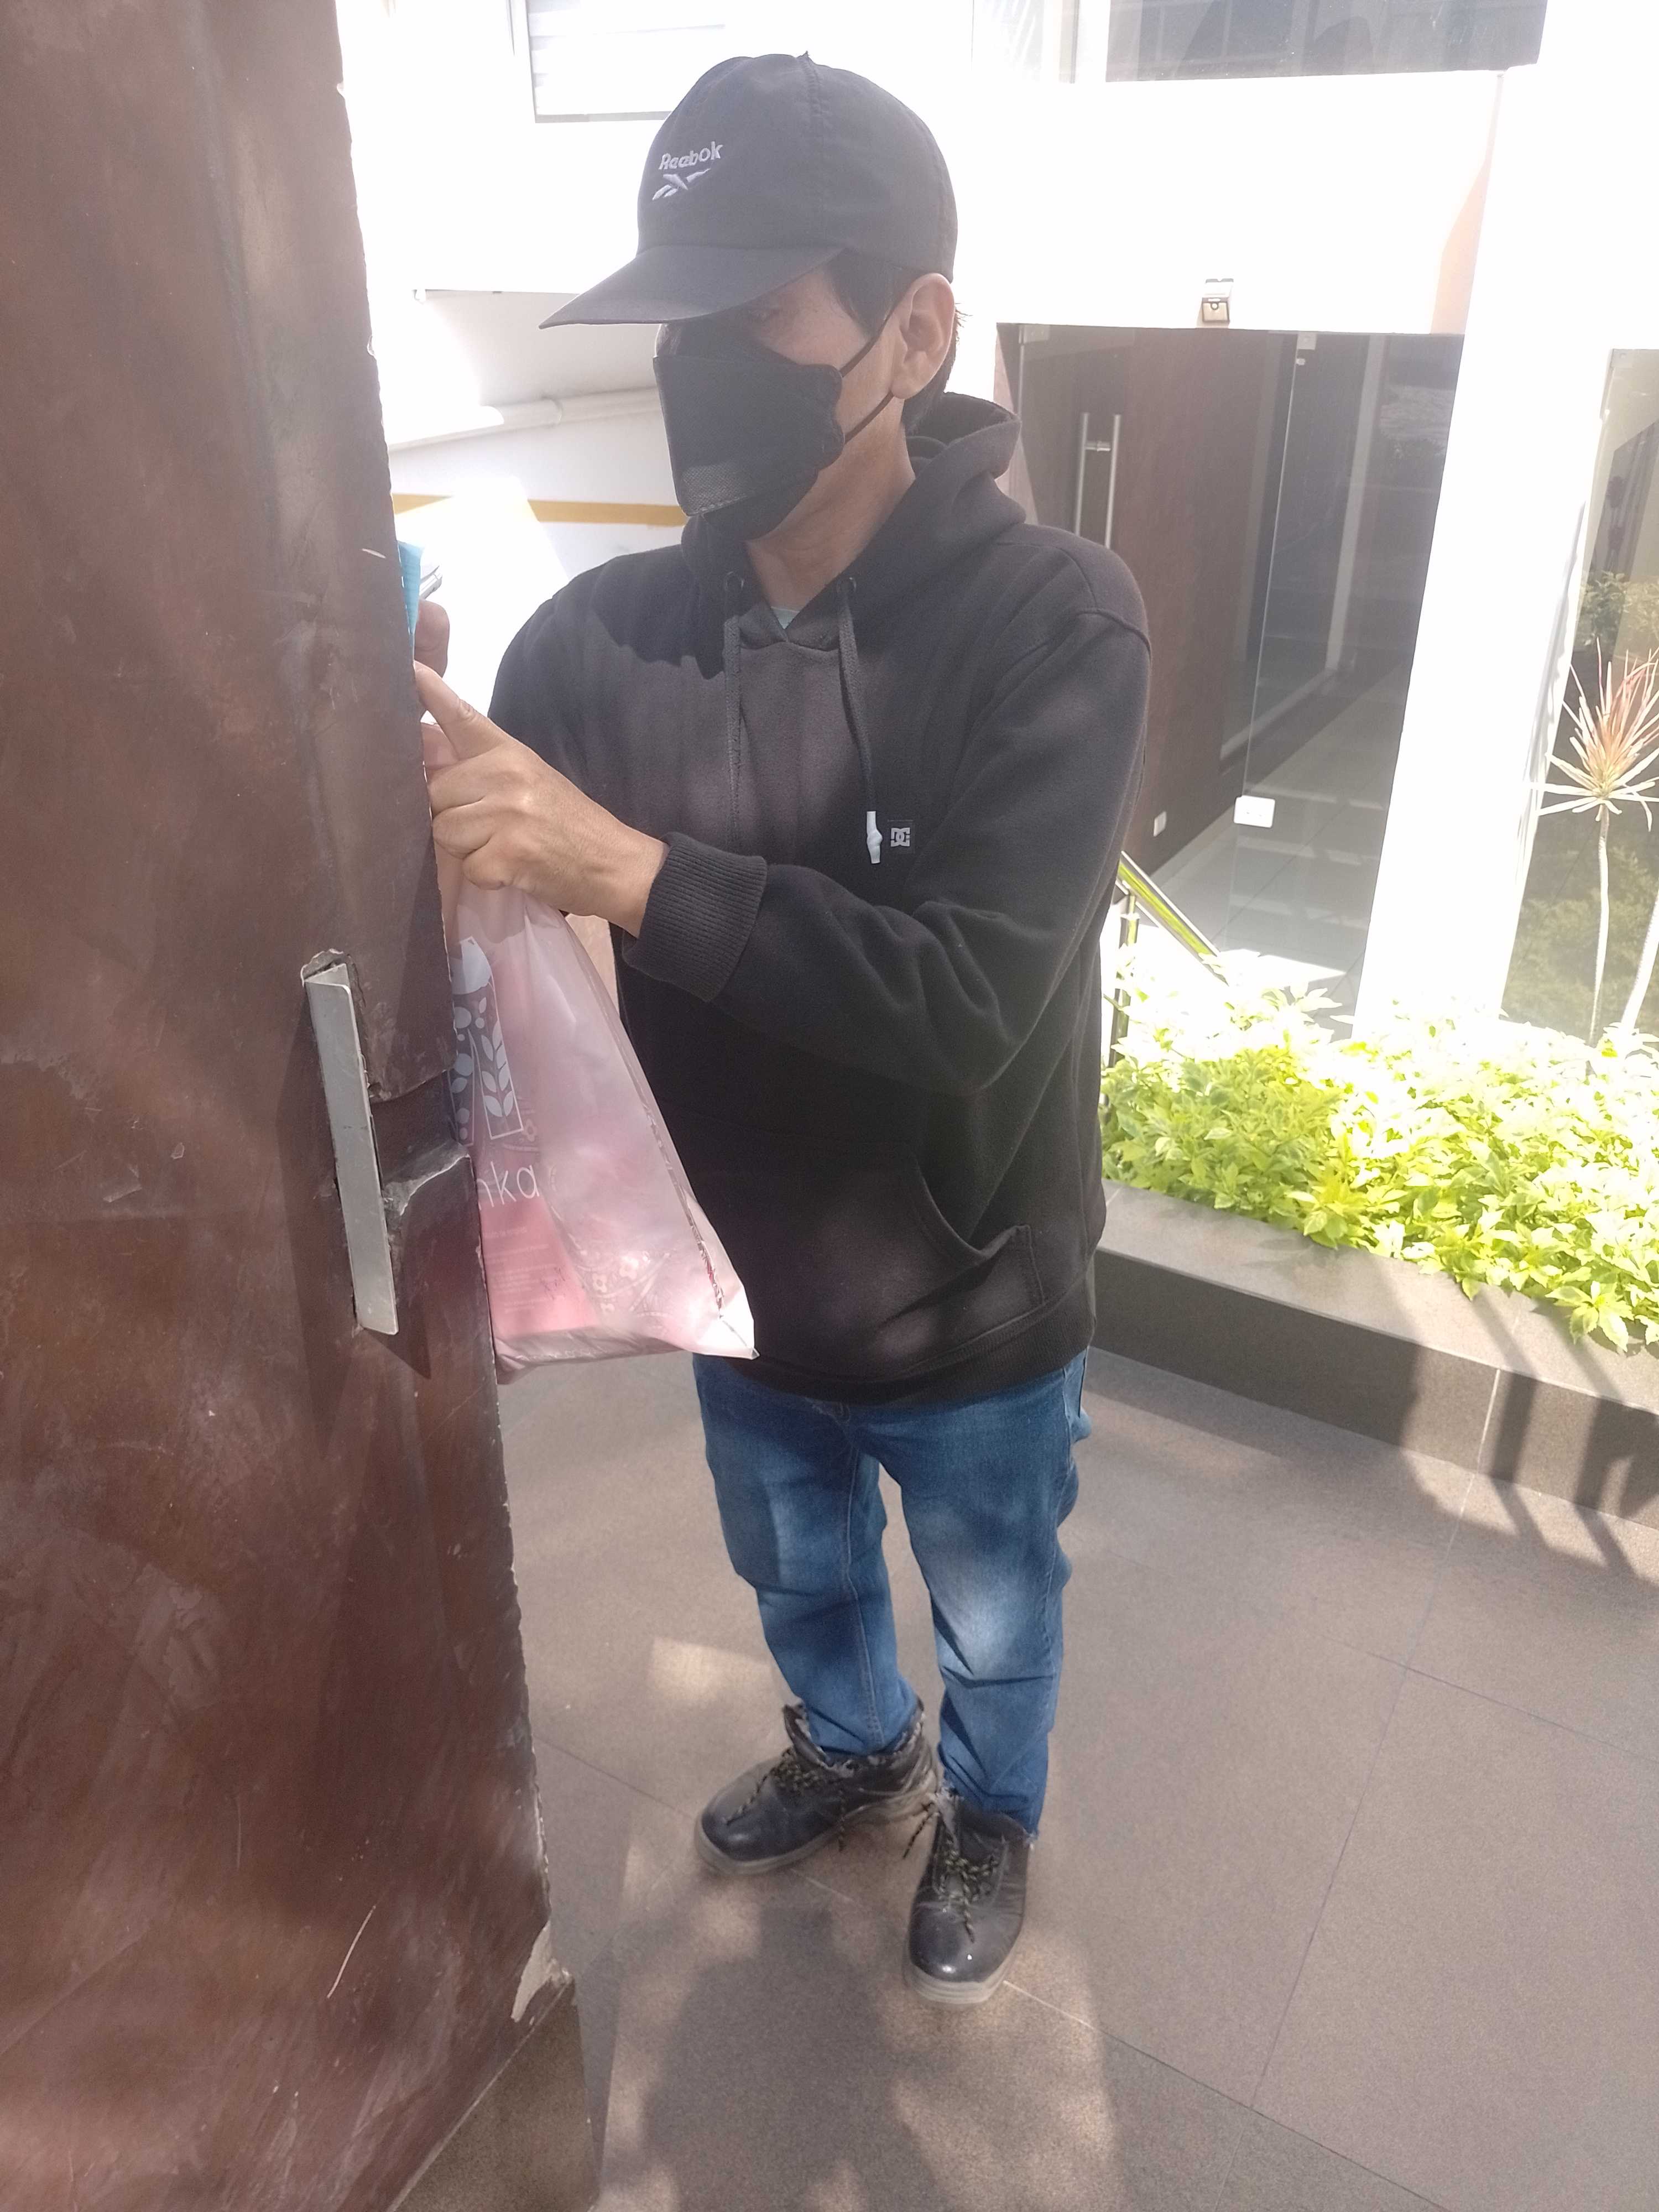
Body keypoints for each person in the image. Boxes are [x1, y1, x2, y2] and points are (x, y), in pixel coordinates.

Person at [415, 51, 1147, 2006]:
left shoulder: (1053, 625)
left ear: (917, 331)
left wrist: (629, 869)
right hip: (735, 1291)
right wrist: (390, 759)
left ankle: (989, 1806)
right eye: (679, 322)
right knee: (798, 1569)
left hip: (973, 1304)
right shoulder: (598, 643)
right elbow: (486, 889)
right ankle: (849, 1744)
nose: (697, 369)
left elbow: (968, 994)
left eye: (753, 315)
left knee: (998, 1608)